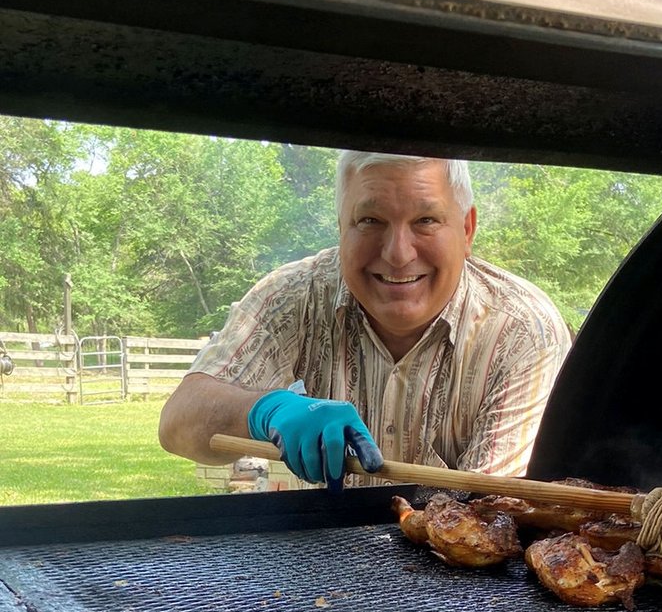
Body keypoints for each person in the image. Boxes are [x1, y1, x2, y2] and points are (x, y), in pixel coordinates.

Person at [159, 151, 572, 488]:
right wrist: (266, 410)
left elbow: (488, 514)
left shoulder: (523, 331)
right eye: (370, 221)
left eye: (426, 221)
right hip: (317, 552)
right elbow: (177, 425)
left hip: (450, 563)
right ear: (341, 228)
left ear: (467, 230)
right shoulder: (293, 297)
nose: (398, 254)